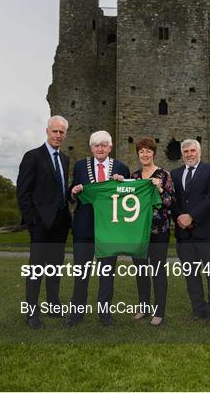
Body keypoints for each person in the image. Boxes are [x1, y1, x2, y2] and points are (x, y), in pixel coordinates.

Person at [65, 130, 130, 328]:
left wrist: (123, 183)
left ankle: (105, 314)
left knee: (107, 274)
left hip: (109, 229)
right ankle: (76, 313)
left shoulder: (121, 168)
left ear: (110, 148)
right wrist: (74, 192)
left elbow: (127, 197)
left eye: (104, 145)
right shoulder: (80, 166)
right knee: (81, 273)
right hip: (84, 227)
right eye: (96, 145)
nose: (100, 148)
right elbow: (71, 193)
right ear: (91, 148)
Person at [17, 115, 71, 329]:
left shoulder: (64, 159)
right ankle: (32, 313)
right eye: (55, 131)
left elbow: (60, 189)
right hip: (40, 224)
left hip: (60, 223)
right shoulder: (33, 156)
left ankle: (53, 304)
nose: (58, 135)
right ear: (47, 131)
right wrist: (32, 220)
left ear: (65, 135)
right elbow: (23, 192)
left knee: (55, 267)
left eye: (61, 132)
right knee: (37, 269)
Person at [171, 139, 210, 326]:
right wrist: (179, 217)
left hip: (208, 232)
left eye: (192, 151)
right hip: (184, 234)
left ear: (199, 152)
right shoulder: (175, 174)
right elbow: (173, 200)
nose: (189, 154)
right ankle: (198, 310)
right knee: (191, 276)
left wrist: (192, 216)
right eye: (185, 151)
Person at [131, 137, 175, 327]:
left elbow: (169, 202)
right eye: (141, 151)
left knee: (157, 271)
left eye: (148, 151)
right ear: (138, 154)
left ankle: (159, 311)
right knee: (141, 271)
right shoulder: (134, 177)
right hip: (138, 232)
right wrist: (118, 182)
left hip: (158, 230)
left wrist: (158, 189)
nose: (145, 154)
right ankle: (143, 307)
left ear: (154, 154)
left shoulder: (164, 175)